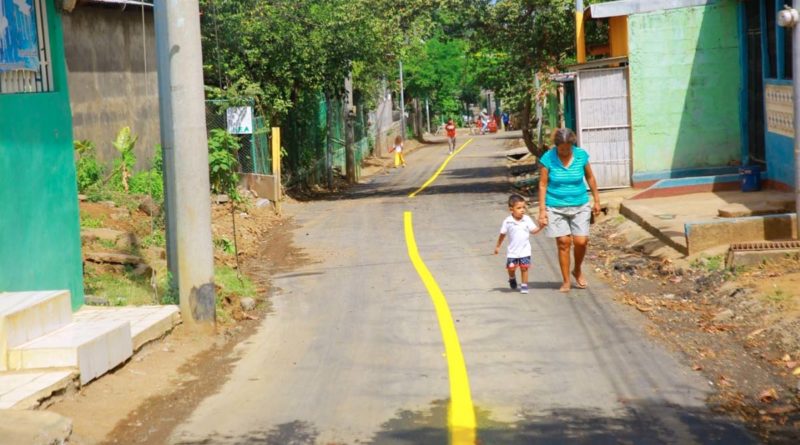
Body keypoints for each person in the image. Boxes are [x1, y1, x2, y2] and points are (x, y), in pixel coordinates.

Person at [537, 128, 601, 292]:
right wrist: (542, 210)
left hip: (580, 205)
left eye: (568, 148)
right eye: (562, 149)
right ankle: (566, 280)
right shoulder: (548, 158)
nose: (565, 152)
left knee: (581, 241)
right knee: (563, 242)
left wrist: (597, 200)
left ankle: (577, 269)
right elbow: (543, 184)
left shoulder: (581, 155)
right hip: (555, 206)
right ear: (556, 146)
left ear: (572, 145)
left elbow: (590, 177)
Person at [494, 194, 543, 294]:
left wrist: (541, 226)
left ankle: (524, 285)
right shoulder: (508, 222)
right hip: (512, 251)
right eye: (519, 208)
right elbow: (502, 234)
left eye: (523, 207)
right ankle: (512, 277)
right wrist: (498, 246)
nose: (522, 210)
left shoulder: (527, 219)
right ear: (511, 209)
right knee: (511, 268)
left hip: (525, 250)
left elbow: (534, 231)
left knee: (524, 268)